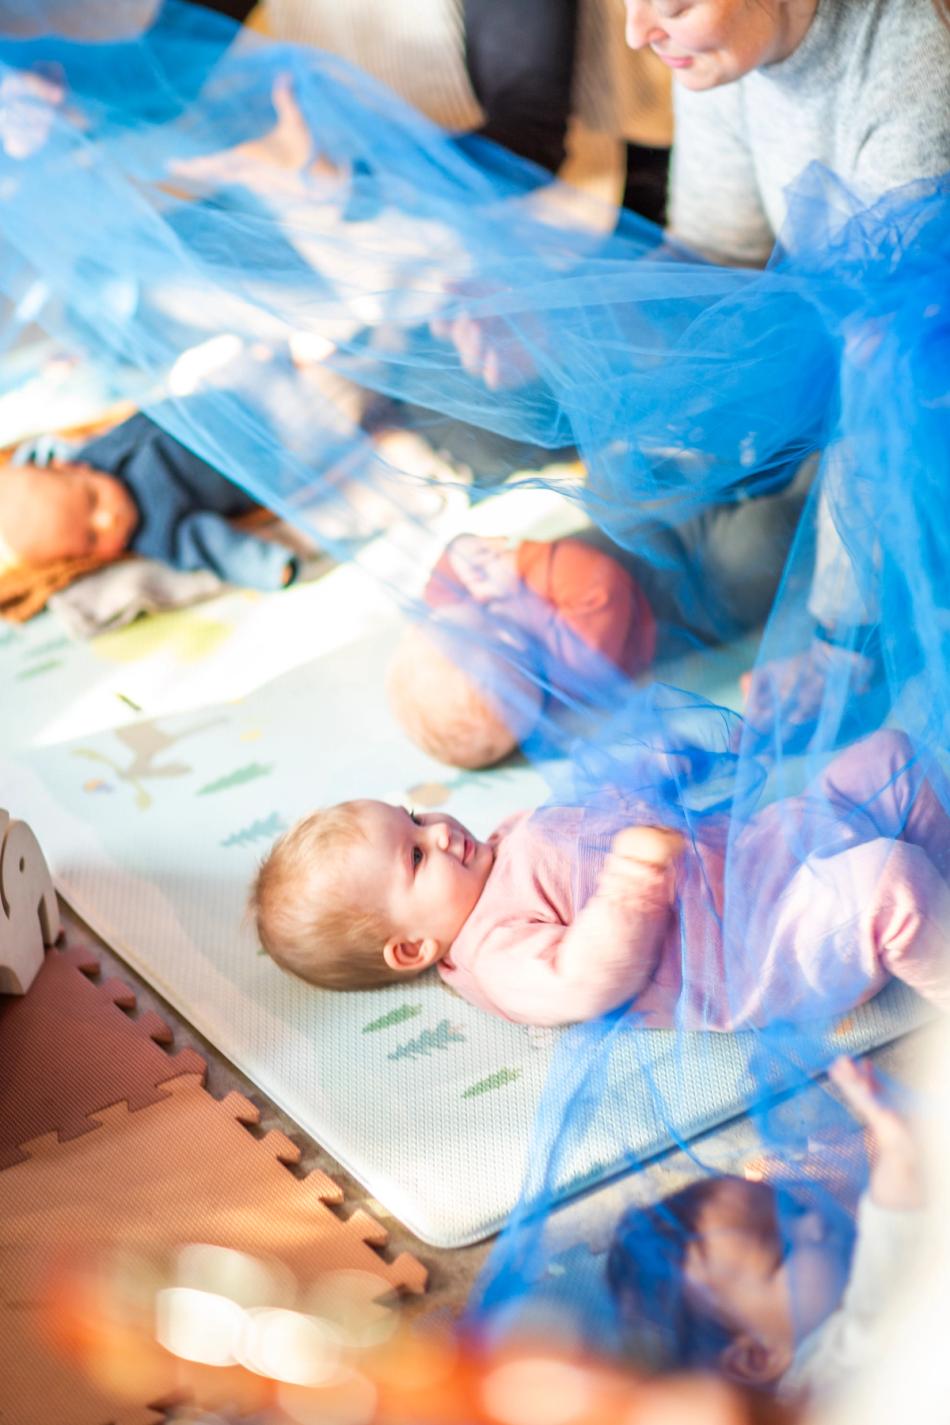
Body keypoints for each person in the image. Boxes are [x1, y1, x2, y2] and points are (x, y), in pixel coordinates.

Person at [250, 729, 950, 1026]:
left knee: (894, 758)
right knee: (894, 884)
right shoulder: (497, 953)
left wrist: (655, 769)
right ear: (411, 948)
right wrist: (630, 885)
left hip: (762, 849)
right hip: (760, 941)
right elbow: (586, 978)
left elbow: (599, 818)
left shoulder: (497, 847)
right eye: (415, 855)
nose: (437, 830)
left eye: (413, 816)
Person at [606, 1054, 926, 1404]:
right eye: (782, 1252)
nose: (816, 1222)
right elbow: (892, 1230)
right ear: (760, 1355)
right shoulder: (834, 1364)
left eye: (797, 1207)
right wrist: (895, 1148)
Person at [387, 533, 657, 768]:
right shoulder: (577, 657)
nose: (477, 597)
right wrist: (520, 563)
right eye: (440, 623)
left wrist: (462, 552)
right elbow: (599, 581)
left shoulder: (486, 638)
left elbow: (438, 591)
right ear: (506, 639)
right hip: (664, 574)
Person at [0, 408, 299, 589]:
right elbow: (211, 545)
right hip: (271, 457)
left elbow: (42, 456)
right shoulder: (155, 533)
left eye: (92, 500)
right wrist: (267, 567)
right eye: (91, 538)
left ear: (74, 468)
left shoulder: (86, 456)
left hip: (221, 401)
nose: (107, 520)